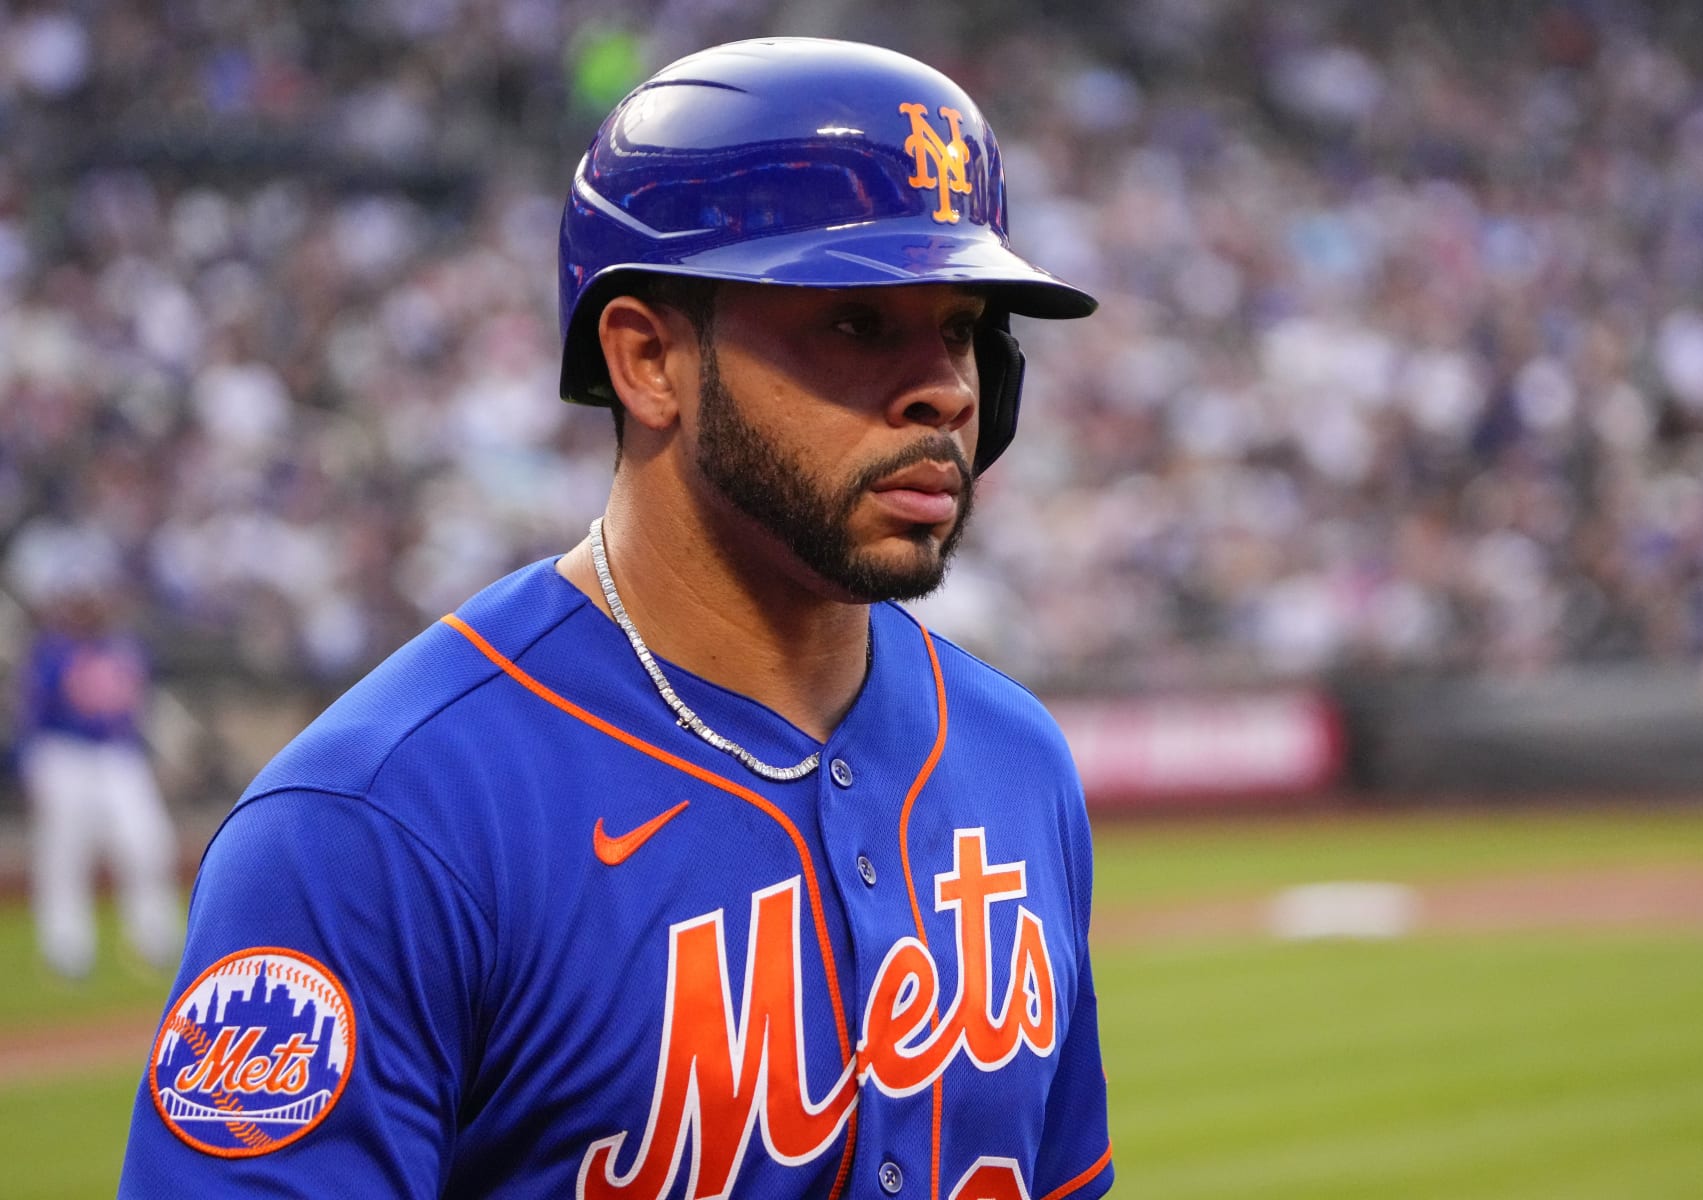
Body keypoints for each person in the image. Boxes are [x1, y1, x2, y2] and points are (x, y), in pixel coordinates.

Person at [121, 37, 1114, 1199]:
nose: (945, 388)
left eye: (960, 330)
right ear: (649, 360)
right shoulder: (377, 822)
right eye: (855, 322)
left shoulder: (1016, 759)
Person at [9, 529, 180, 979]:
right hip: (65, 754)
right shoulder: (51, 652)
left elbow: (136, 709)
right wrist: (34, 767)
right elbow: (34, 716)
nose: (89, 604)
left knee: (146, 842)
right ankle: (66, 951)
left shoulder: (126, 646)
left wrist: (149, 756)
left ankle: (155, 939)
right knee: (64, 854)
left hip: (117, 755)